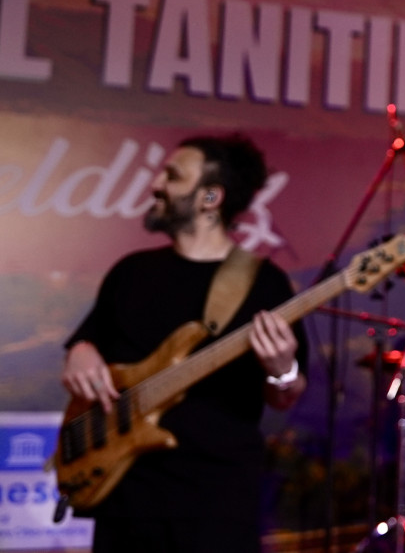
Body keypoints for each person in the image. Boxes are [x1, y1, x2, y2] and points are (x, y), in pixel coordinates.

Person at [60, 134, 308, 553]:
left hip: (215, 502)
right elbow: (88, 344)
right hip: (125, 495)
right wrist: (80, 353)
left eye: (172, 176)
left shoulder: (265, 283)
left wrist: (282, 369)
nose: (156, 184)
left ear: (211, 197)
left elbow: (285, 396)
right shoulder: (130, 272)